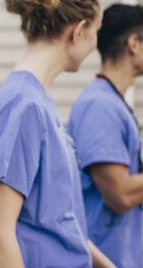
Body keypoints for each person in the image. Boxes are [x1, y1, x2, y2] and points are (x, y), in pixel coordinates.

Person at [0, 0, 114, 267]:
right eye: (96, 31)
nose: (95, 44)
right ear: (79, 30)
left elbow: (59, 220)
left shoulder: (37, 101)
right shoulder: (22, 105)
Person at [67, 4, 143, 267]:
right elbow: (120, 195)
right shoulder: (99, 105)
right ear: (134, 43)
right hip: (104, 259)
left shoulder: (113, 102)